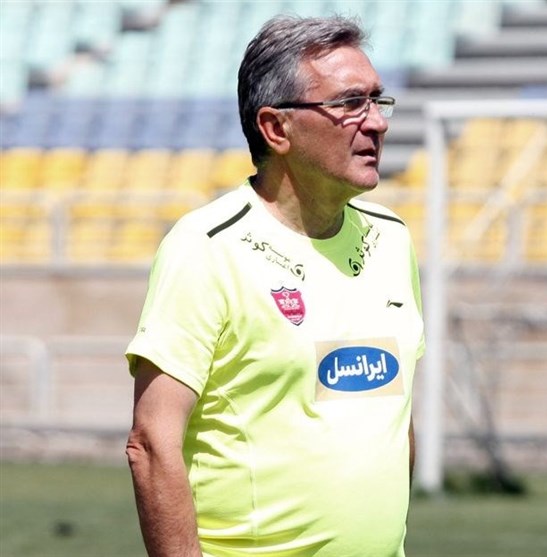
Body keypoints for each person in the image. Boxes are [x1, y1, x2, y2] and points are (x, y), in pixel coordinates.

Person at [125, 14, 425, 557]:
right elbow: (151, 442)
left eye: (378, 101)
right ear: (276, 129)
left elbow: (393, 421)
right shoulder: (206, 247)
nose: (377, 123)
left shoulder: (393, 239)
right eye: (350, 103)